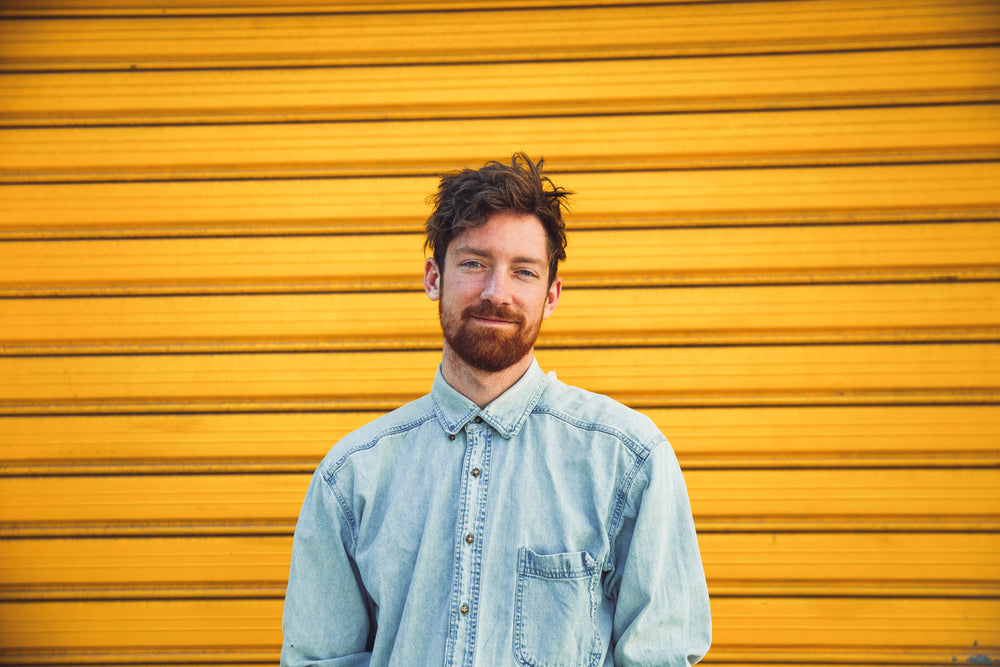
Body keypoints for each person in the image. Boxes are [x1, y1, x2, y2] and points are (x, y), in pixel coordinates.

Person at [281, 153, 712, 666]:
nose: (496, 293)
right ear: (433, 278)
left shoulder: (627, 460)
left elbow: (658, 656)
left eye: (523, 271)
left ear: (550, 296)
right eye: (473, 263)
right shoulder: (352, 476)